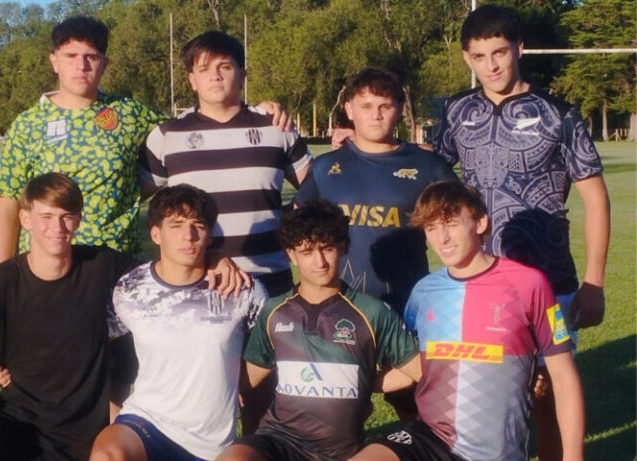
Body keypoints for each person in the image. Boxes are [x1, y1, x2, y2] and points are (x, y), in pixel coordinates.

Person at [434, 5, 609, 459]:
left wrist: (594, 283)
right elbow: (428, 173)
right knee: (489, 395)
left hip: (549, 281)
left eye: (499, 53)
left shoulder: (559, 113)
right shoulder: (456, 111)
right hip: (478, 281)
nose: (490, 66)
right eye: (478, 56)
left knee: (548, 392)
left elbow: (595, 199)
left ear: (519, 49)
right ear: (466, 58)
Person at [0, 18, 290, 267]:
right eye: (70, 56)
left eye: (91, 57)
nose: (81, 66)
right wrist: (1, 281)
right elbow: (7, 204)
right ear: (54, 61)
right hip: (47, 263)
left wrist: (261, 110)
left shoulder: (130, 114)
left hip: (116, 263)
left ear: (104, 63)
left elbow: (199, 120)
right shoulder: (28, 124)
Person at [0, 173, 139, 461]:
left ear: (78, 219)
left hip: (86, 437)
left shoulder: (104, 266)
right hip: (15, 427)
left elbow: (168, 273)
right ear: (25, 219)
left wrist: (214, 262)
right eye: (46, 216)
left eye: (66, 216)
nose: (57, 227)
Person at [352, 180, 584, 461]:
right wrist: (351, 379)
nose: (442, 238)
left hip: (493, 453)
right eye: (431, 228)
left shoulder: (529, 285)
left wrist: (572, 456)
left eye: (450, 223)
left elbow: (564, 378)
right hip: (430, 438)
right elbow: (415, 367)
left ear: (480, 222)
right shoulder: (424, 292)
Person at [216, 200, 421, 461]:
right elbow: (246, 380)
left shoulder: (371, 312)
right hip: (277, 441)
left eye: (327, 248)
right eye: (308, 251)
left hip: (340, 453)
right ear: (291, 255)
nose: (320, 261)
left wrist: (364, 382)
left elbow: (415, 371)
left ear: (343, 246)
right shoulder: (274, 311)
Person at [88, 184, 267, 461]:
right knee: (107, 456)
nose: (189, 235)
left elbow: (272, 354)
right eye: (176, 225)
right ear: (156, 234)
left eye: (198, 225)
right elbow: (87, 346)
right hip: (147, 423)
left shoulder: (241, 290)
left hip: (213, 443)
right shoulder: (129, 288)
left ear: (210, 236)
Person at [139, 30, 312, 299]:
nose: (215, 76)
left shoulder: (276, 128)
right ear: (192, 80)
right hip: (199, 281)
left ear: (242, 75)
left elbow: (318, 189)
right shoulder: (167, 136)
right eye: (204, 68)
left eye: (225, 67)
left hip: (270, 280)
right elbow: (129, 199)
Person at [295, 66, 456, 314]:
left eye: (385, 106)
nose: (376, 115)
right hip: (337, 306)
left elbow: (458, 228)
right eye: (366, 106)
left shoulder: (427, 165)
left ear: (400, 109)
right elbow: (297, 230)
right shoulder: (325, 167)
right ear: (349, 109)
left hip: (407, 305)